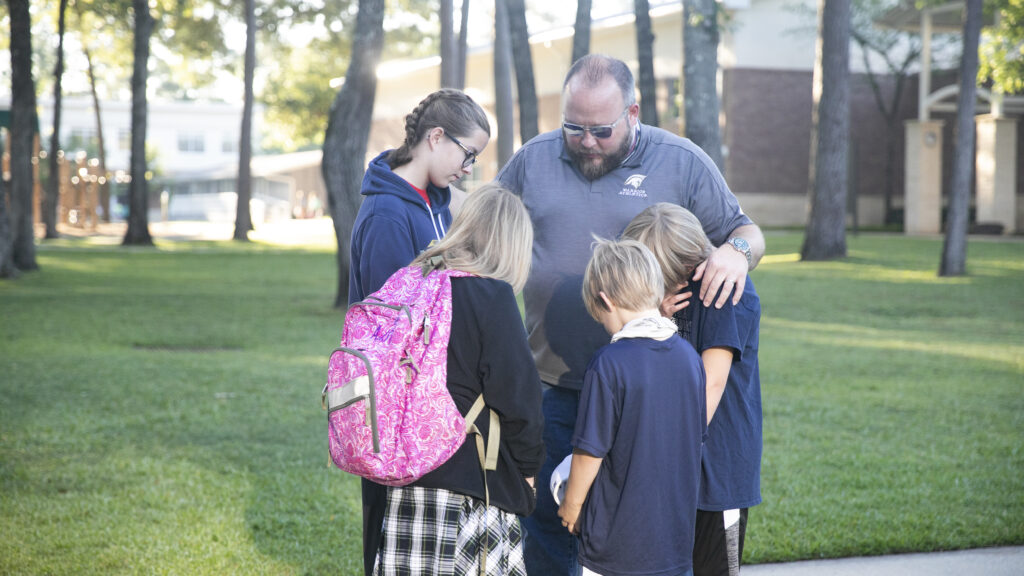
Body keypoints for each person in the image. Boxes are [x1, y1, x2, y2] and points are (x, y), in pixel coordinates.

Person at [495, 54, 764, 574]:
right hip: (558, 386)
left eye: (600, 129)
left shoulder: (682, 162)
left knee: (632, 533)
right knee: (552, 523)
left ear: (633, 113)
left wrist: (736, 253)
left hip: (644, 396)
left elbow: (747, 232)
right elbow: (486, 220)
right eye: (574, 128)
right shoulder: (534, 159)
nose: (587, 141)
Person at [348, 88, 491, 576]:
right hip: (393, 409)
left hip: (426, 403)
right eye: (467, 153)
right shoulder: (389, 215)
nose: (469, 167)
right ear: (436, 137)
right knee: (389, 543)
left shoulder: (436, 203)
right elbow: (393, 333)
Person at [372, 183, 545, 576]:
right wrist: (530, 470)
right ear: (512, 245)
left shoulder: (416, 281)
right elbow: (520, 400)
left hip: (406, 476)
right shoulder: (491, 296)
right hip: (471, 484)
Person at [623, 204, 762, 576]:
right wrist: (655, 316)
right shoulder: (665, 299)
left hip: (716, 472)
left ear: (687, 266)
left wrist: (657, 455)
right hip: (669, 469)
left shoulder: (727, 292)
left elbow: (710, 382)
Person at [558, 237, 707, 576]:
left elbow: (589, 453)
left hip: (616, 548)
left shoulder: (608, 363)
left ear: (605, 301)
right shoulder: (689, 357)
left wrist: (572, 504)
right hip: (674, 540)